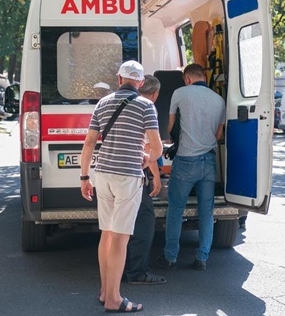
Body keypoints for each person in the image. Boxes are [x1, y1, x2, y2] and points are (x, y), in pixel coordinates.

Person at [80, 60, 163, 313]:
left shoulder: (102, 104)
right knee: (120, 238)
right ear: (139, 83)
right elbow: (157, 148)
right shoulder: (146, 106)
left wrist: (84, 177)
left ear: (119, 79)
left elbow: (89, 143)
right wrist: (146, 156)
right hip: (127, 177)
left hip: (102, 174)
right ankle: (115, 299)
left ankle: (105, 292)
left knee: (106, 234)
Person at [156, 63, 225, 271]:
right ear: (203, 76)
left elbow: (169, 127)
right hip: (208, 162)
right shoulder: (219, 100)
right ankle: (202, 258)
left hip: (185, 160)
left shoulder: (180, 93)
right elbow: (218, 135)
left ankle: (170, 257)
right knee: (206, 212)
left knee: (176, 209)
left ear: (187, 78)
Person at [124, 74, 166, 285]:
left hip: (114, 173)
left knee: (119, 225)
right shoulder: (147, 107)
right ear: (155, 93)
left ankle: (119, 270)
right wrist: (156, 177)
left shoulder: (118, 103)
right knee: (144, 221)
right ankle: (137, 272)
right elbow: (149, 148)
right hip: (136, 173)